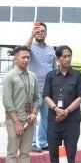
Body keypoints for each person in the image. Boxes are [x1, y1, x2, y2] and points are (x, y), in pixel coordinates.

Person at [43, 45, 81, 163]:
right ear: (58, 59)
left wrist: (66, 111)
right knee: (54, 154)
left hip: (72, 121)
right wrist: (56, 109)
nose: (67, 59)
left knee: (69, 154)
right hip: (54, 119)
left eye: (69, 56)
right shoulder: (51, 76)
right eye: (64, 56)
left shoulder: (77, 76)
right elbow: (46, 96)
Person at [2, 46, 41, 163]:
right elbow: (7, 102)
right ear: (15, 58)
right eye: (23, 57)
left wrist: (34, 112)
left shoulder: (32, 76)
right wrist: (17, 122)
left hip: (29, 121)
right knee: (12, 152)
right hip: (14, 121)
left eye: (28, 57)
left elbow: (37, 98)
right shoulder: (9, 77)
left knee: (25, 152)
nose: (26, 60)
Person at [24, 22, 55, 152]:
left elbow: (54, 67)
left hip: (48, 89)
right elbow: (23, 50)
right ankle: (32, 143)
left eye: (42, 31)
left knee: (46, 118)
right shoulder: (30, 46)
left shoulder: (51, 49)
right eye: (37, 31)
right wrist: (31, 36)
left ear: (46, 33)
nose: (40, 33)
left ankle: (43, 142)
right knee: (32, 116)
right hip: (33, 88)